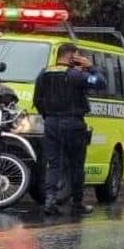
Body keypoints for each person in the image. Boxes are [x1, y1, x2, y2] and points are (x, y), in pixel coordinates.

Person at [33, 43, 107, 216]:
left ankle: (50, 201)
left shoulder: (43, 73)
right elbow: (100, 83)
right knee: (76, 165)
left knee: (53, 164)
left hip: (51, 122)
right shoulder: (75, 75)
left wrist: (48, 116)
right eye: (77, 55)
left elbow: (37, 100)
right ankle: (77, 203)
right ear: (72, 56)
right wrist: (90, 67)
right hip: (73, 124)